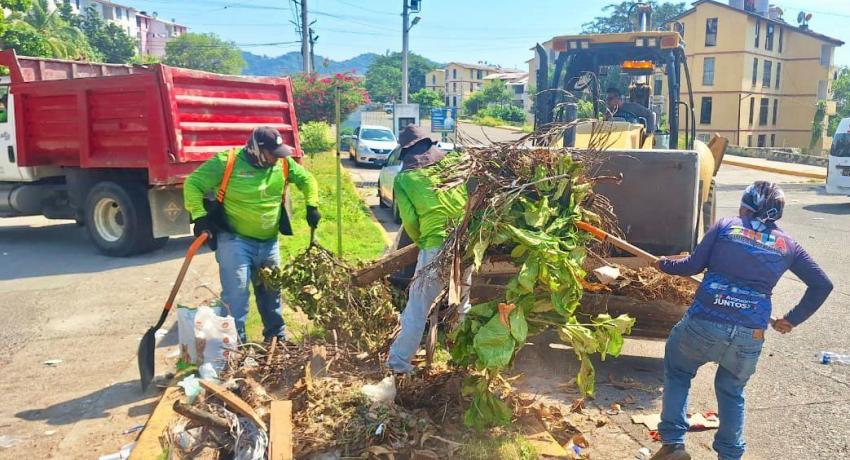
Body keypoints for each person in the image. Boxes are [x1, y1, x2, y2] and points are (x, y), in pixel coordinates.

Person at [650, 181, 833, 460]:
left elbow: (692, 266)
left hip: (704, 323)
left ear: (745, 206)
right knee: (732, 390)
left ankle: (674, 445)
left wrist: (663, 264)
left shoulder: (726, 226)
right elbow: (822, 284)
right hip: (750, 335)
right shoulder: (789, 245)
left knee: (679, 371)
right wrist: (791, 319)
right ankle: (730, 456)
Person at [183, 126, 320, 343]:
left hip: (269, 241)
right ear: (257, 149)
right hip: (235, 239)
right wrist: (200, 216)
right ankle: (235, 345)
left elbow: (307, 179)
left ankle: (276, 337)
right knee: (236, 296)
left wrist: (312, 204)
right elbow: (193, 183)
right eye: (272, 154)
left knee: (271, 292)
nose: (276, 159)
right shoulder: (226, 162)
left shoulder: (283, 163)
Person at [386, 125, 469, 374]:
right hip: (465, 244)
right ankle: (465, 360)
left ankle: (398, 364)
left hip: (436, 246)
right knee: (463, 303)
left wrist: (423, 243)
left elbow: (409, 222)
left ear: (406, 153)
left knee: (417, 307)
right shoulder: (451, 167)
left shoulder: (404, 178)